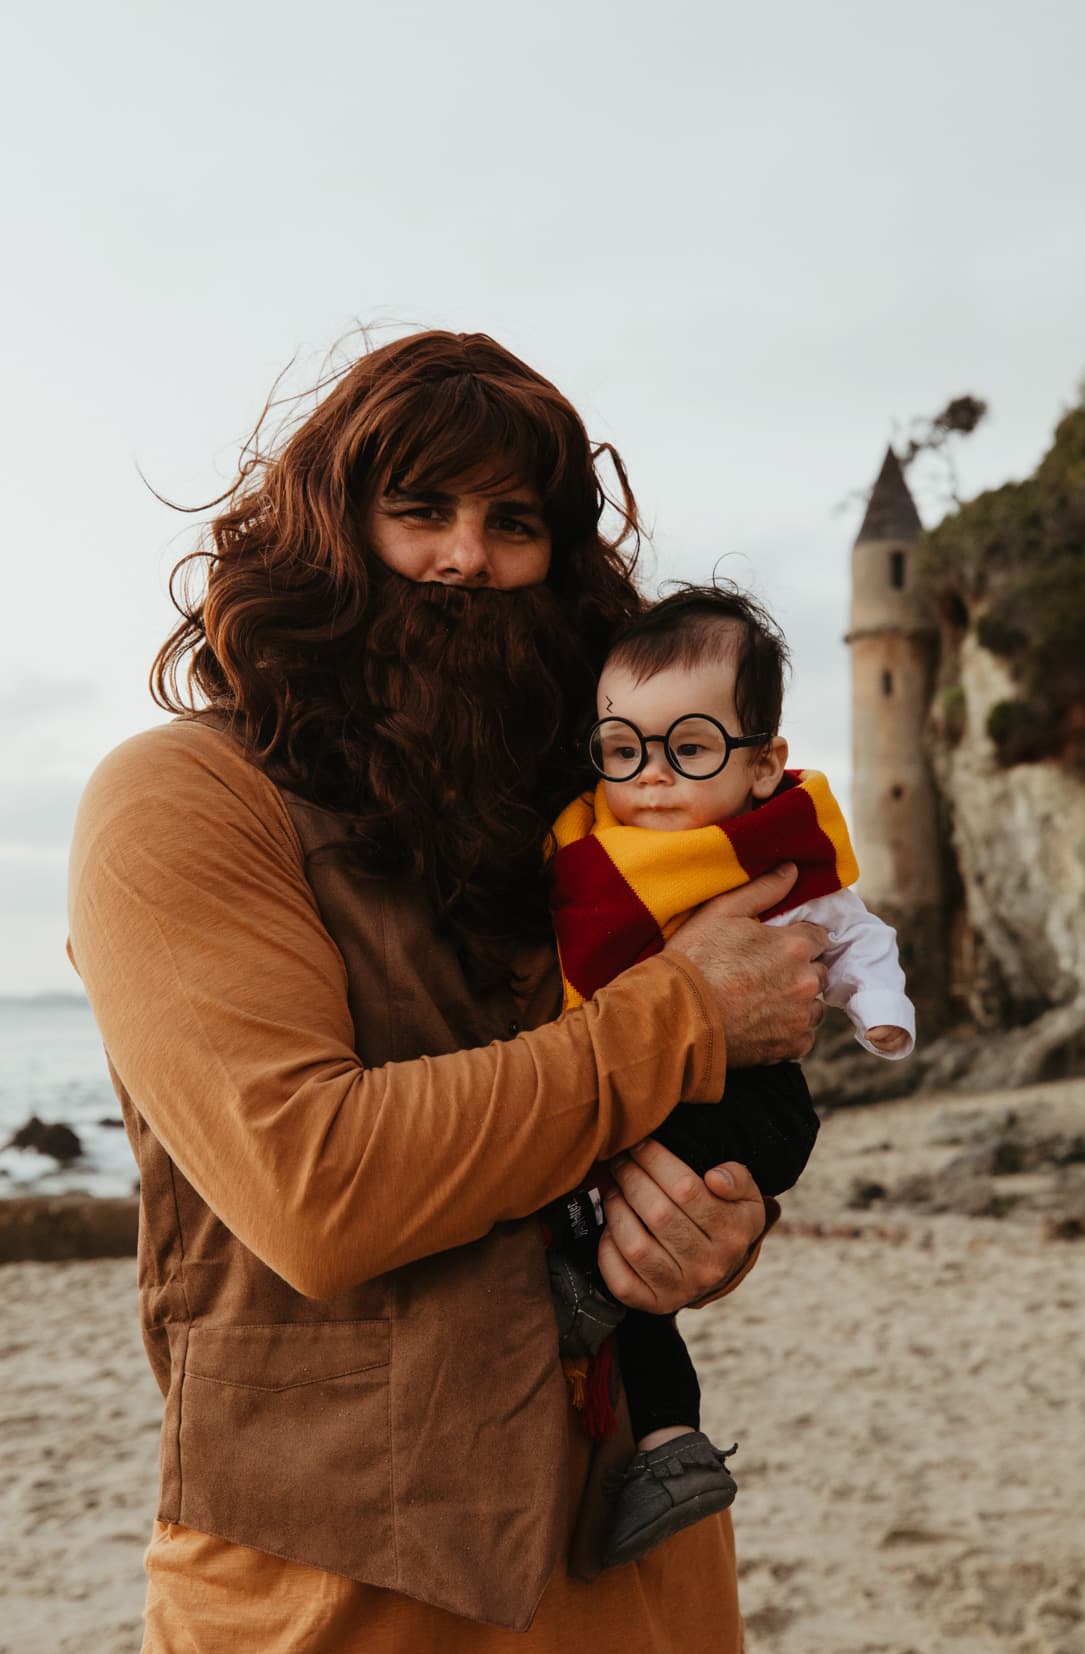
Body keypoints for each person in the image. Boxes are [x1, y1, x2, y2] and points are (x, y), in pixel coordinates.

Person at [66, 330, 831, 1652]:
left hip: (636, 1550)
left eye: (512, 521)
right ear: (326, 530)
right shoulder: (180, 801)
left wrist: (711, 1227)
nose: (465, 555)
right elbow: (319, 1186)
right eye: (419, 508)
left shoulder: (587, 819)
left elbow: (689, 1118)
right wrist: (687, 1014)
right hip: (338, 1589)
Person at [541, 585, 915, 1568]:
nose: (652, 779)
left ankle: (591, 1297)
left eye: (691, 748)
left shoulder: (780, 858)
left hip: (745, 1106)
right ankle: (672, 1444)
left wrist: (879, 1009)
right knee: (642, 1257)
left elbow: (852, 934)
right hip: (631, 1097)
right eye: (624, 751)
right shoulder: (584, 846)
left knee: (629, 1234)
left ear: (764, 765)